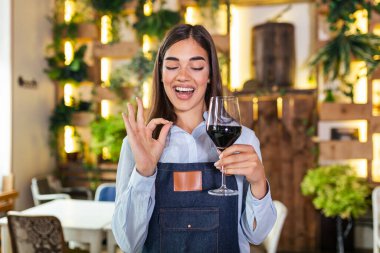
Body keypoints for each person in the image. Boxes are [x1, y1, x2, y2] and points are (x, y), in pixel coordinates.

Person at [112, 24, 277, 253]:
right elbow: (128, 242)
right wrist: (145, 172)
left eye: (196, 66)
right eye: (172, 66)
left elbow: (256, 235)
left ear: (210, 75)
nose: (183, 76)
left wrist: (259, 183)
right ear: (161, 74)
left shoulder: (244, 140)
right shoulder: (137, 146)